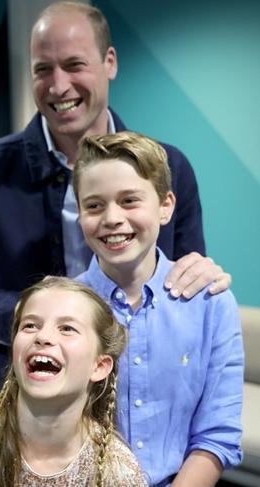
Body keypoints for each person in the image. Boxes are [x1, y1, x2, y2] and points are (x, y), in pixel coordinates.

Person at [0, 0, 232, 400]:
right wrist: (36, 316)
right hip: (13, 395)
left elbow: (185, 276)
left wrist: (203, 274)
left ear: (109, 62)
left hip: (138, 394)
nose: (58, 86)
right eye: (43, 69)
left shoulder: (171, 167)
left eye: (74, 65)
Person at [73, 131, 243, 486]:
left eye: (130, 200)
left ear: (166, 206)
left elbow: (217, 435)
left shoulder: (211, 305)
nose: (112, 218)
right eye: (94, 205)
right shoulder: (63, 308)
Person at [0, 276, 148, 486]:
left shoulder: (118, 471)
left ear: (99, 366)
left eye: (67, 328)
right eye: (30, 325)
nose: (43, 337)